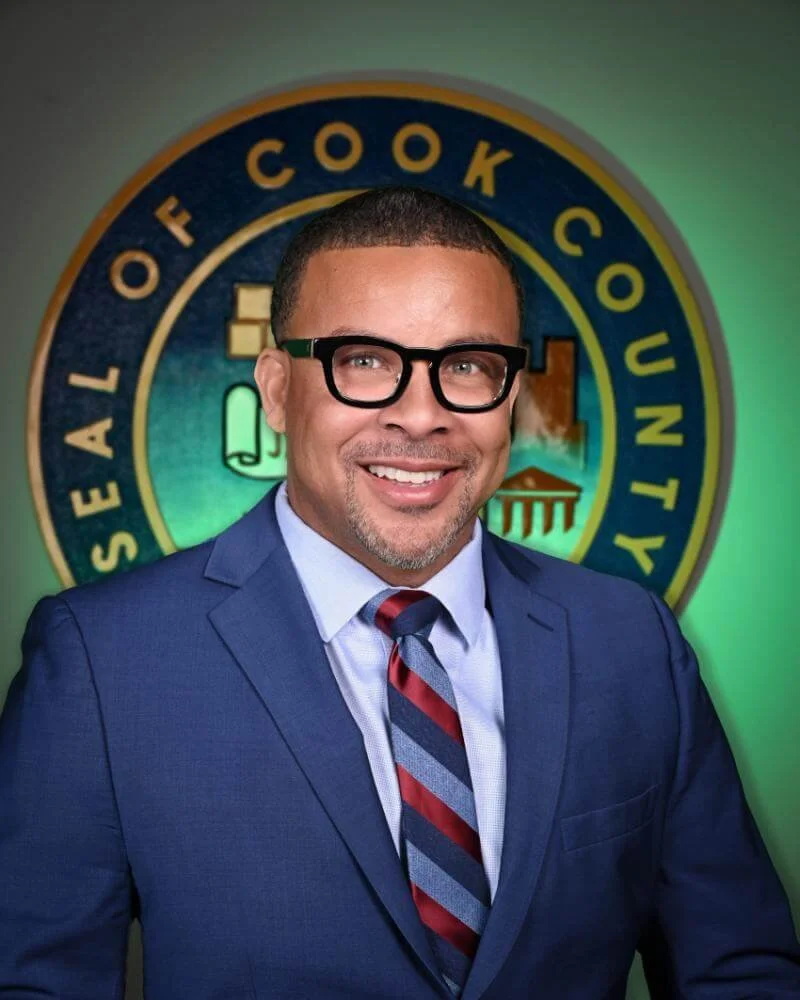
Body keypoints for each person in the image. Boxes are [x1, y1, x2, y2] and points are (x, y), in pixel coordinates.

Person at [1, 186, 798, 1000]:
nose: (421, 416)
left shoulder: (631, 644)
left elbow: (738, 974)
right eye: (366, 361)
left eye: (467, 366)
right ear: (276, 389)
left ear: (512, 393)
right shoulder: (105, 662)